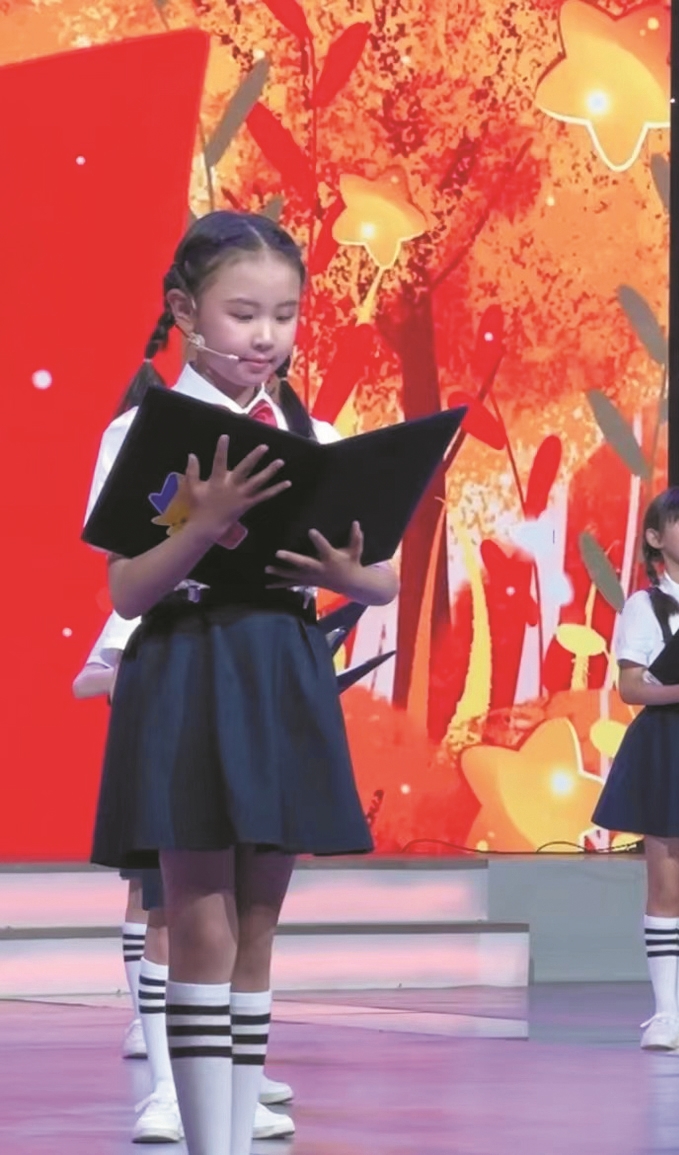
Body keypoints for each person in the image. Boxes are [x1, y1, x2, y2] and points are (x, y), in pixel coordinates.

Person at [85, 210, 396, 1155]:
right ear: (185, 311)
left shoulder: (314, 432)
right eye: (243, 314)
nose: (266, 337)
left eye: (285, 316)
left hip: (281, 664)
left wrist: (342, 572)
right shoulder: (142, 431)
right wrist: (201, 525)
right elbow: (128, 589)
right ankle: (203, 1137)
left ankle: (237, 1119)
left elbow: (381, 577)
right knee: (197, 914)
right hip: (188, 661)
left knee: (259, 915)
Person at [75, 614, 296, 1144]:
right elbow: (86, 679)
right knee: (165, 916)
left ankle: (232, 1084)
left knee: (246, 926)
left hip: (244, 752)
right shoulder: (163, 595)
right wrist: (129, 675)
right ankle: (167, 1089)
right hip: (172, 750)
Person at [591, 487, 679, 1051]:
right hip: (666, 741)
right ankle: (663, 1012)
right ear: (656, 538)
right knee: (665, 877)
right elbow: (630, 687)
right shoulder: (643, 606)